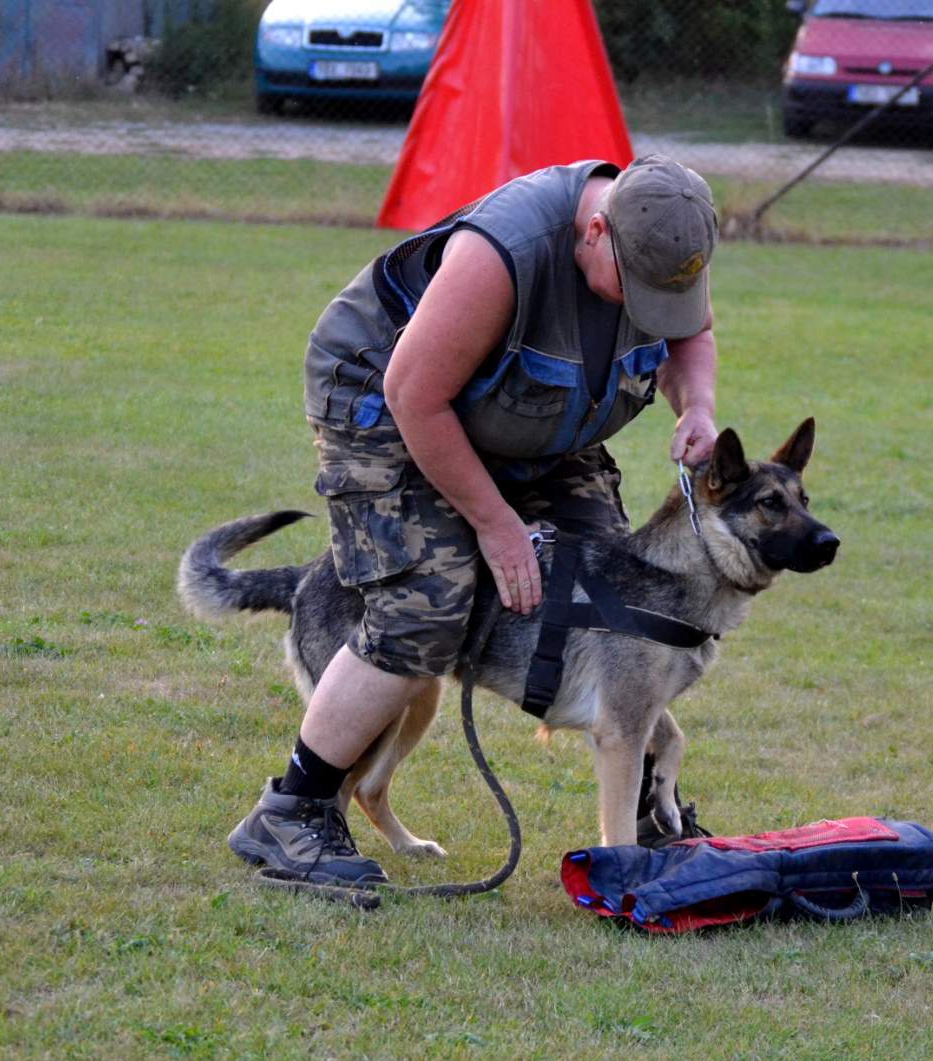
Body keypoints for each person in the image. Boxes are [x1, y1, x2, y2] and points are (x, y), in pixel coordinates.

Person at [227, 155, 722, 889]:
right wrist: (494, 524)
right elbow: (416, 395)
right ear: (595, 231)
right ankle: (292, 810)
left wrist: (697, 405)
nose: (648, 310)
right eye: (637, 292)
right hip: (388, 400)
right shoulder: (504, 254)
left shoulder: (663, 236)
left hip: (531, 416)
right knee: (425, 602)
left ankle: (651, 815)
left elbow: (690, 338)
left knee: (620, 599)